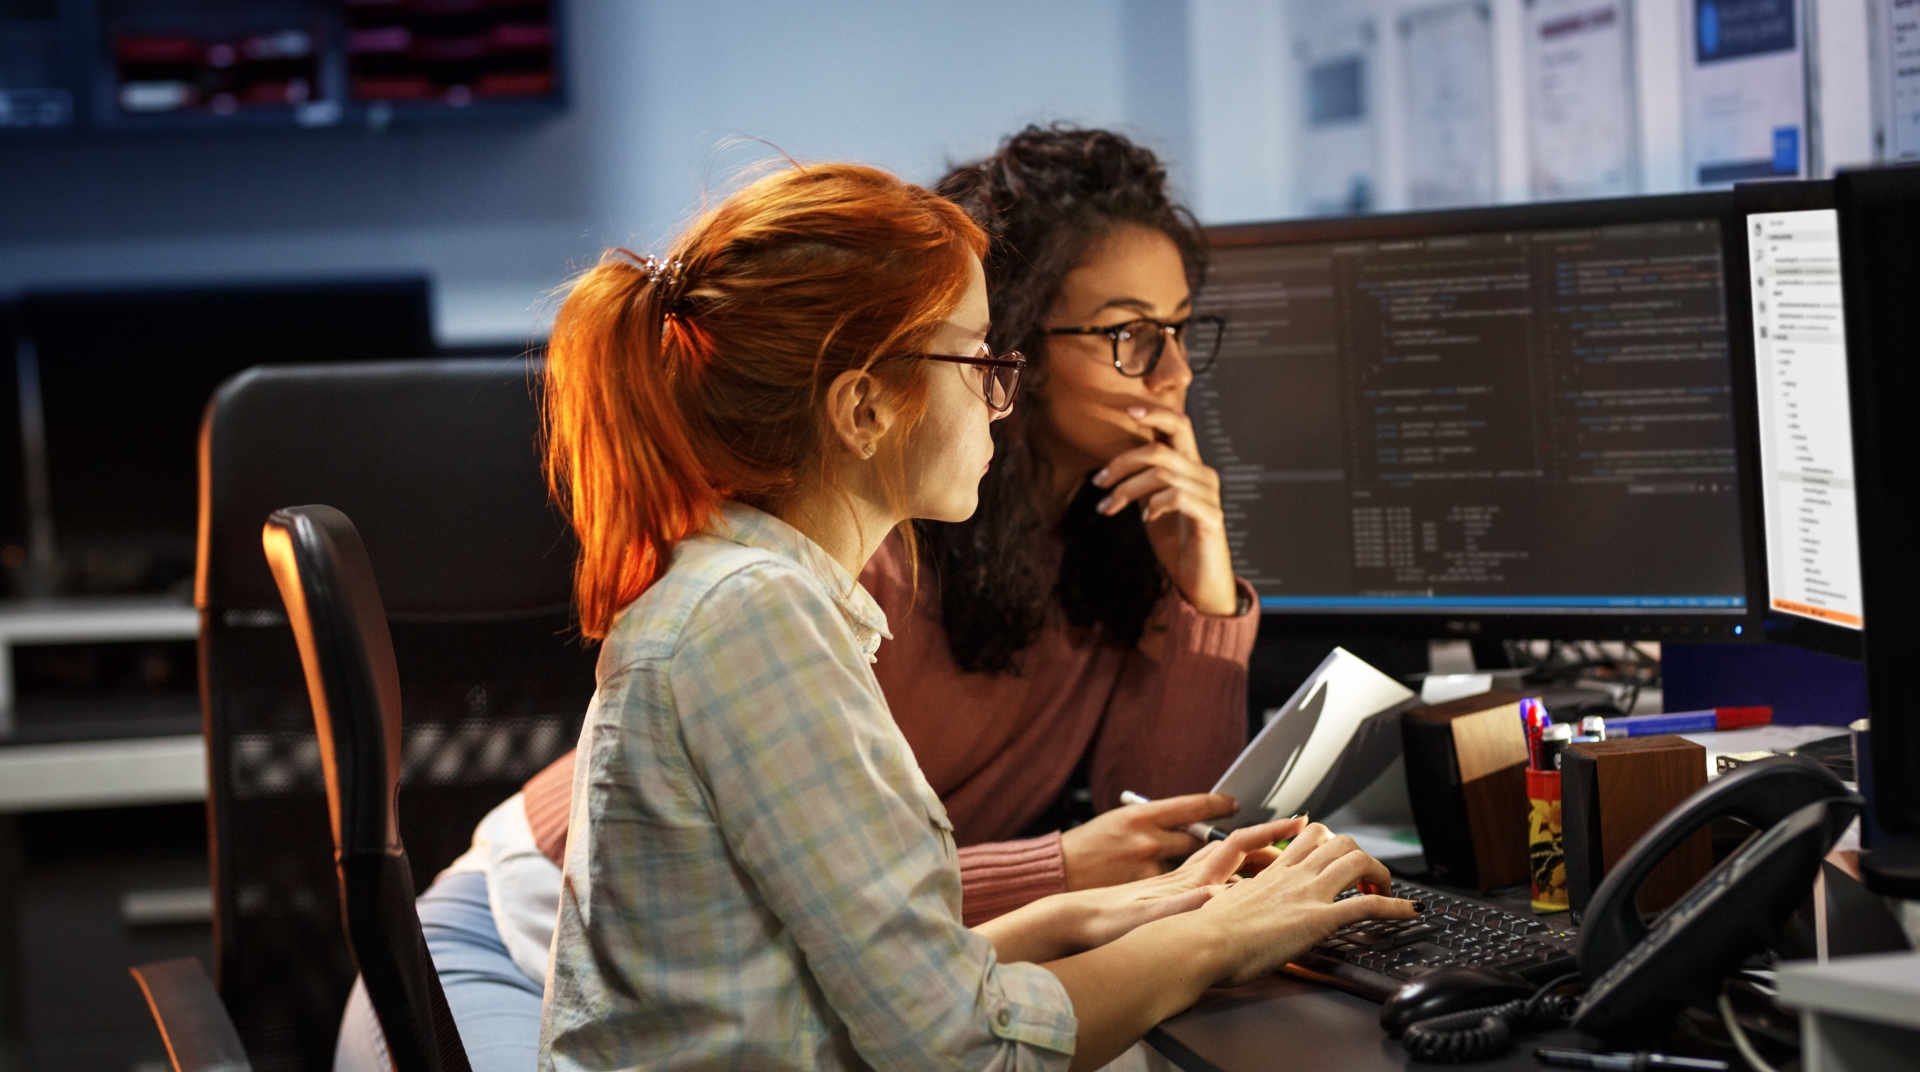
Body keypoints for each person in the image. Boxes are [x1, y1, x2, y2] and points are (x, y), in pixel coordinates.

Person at [334, 127, 1272, 1071]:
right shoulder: (788, 595)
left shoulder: (807, 573)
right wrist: (1120, 904)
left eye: (1180, 331)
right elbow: (925, 1004)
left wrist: (1203, 599)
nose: (1176, 374)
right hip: (506, 940)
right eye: (986, 358)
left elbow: (1159, 829)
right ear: (868, 407)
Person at [525, 160, 1413, 1071]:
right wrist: (1223, 939)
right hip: (507, 917)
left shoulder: (764, 594)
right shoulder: (759, 617)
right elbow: (963, 1048)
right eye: (982, 358)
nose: (1003, 394)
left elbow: (826, 971)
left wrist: (1097, 912)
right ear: (864, 408)